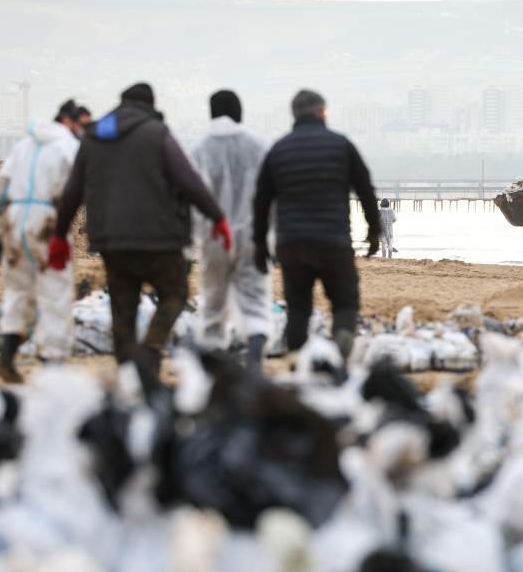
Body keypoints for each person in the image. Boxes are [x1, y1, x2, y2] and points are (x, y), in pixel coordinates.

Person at [52, 82, 231, 387]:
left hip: (112, 240)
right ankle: (151, 348)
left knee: (123, 306)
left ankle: (127, 372)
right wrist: (218, 217)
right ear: (150, 104)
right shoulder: (156, 133)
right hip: (159, 238)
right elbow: (189, 181)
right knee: (175, 295)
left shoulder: (95, 136)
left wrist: (59, 234)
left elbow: (72, 191)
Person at [253, 89, 380, 358]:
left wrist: (260, 244)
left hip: (292, 244)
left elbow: (261, 201)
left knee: (298, 308)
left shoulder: (279, 149)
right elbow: (366, 190)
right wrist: (374, 232)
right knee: (345, 303)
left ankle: (300, 358)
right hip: (334, 242)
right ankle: (343, 339)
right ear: (322, 112)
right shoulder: (341, 145)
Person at [0, 99, 82, 383]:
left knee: (17, 291)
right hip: (48, 222)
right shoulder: (69, 147)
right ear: (69, 122)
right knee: (55, 291)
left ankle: (6, 358)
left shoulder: (22, 147)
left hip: (15, 220)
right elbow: (79, 188)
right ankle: (52, 364)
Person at [188, 89, 271, 369]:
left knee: (213, 299)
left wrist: (190, 240)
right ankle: (256, 352)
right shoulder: (258, 145)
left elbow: (191, 197)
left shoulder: (200, 149)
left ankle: (213, 363)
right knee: (255, 297)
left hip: (214, 235)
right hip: (251, 233)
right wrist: (270, 235)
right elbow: (271, 194)